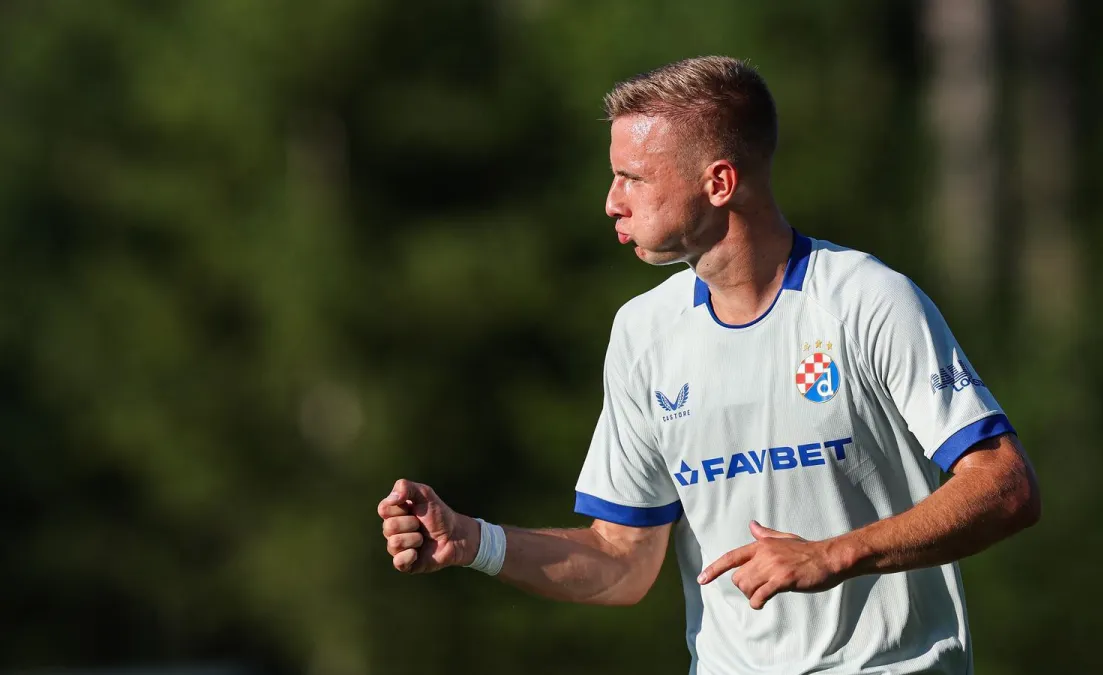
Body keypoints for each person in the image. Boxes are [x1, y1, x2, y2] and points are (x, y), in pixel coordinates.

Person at [377, 55, 1040, 674]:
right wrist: (472, 540)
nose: (612, 200)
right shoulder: (643, 333)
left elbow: (1005, 485)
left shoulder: (867, 300)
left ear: (719, 182)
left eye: (633, 177)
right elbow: (622, 560)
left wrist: (834, 555)